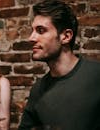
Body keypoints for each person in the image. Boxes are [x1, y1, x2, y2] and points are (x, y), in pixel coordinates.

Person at [18, 0, 100, 130]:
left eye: (41, 30)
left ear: (66, 36)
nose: (31, 38)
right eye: (32, 30)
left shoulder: (96, 75)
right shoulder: (38, 90)